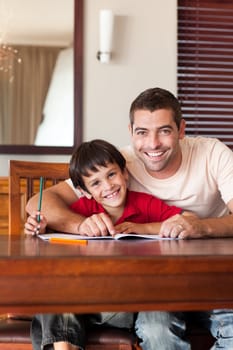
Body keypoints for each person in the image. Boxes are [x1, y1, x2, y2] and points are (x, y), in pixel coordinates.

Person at [26, 87, 233, 349]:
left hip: (213, 276)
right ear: (131, 132)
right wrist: (80, 224)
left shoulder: (212, 153)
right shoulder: (118, 163)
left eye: (165, 131)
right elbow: (38, 203)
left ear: (181, 129)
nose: (153, 143)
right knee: (154, 327)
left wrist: (200, 226)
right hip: (155, 284)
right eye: (142, 132)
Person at [27, 139, 194, 350]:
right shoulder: (80, 212)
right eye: (96, 183)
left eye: (111, 174)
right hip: (90, 305)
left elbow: (187, 220)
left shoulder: (146, 204)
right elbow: (49, 242)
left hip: (132, 304)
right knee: (54, 292)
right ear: (85, 190)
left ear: (125, 173)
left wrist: (143, 228)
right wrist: (40, 228)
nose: (108, 186)